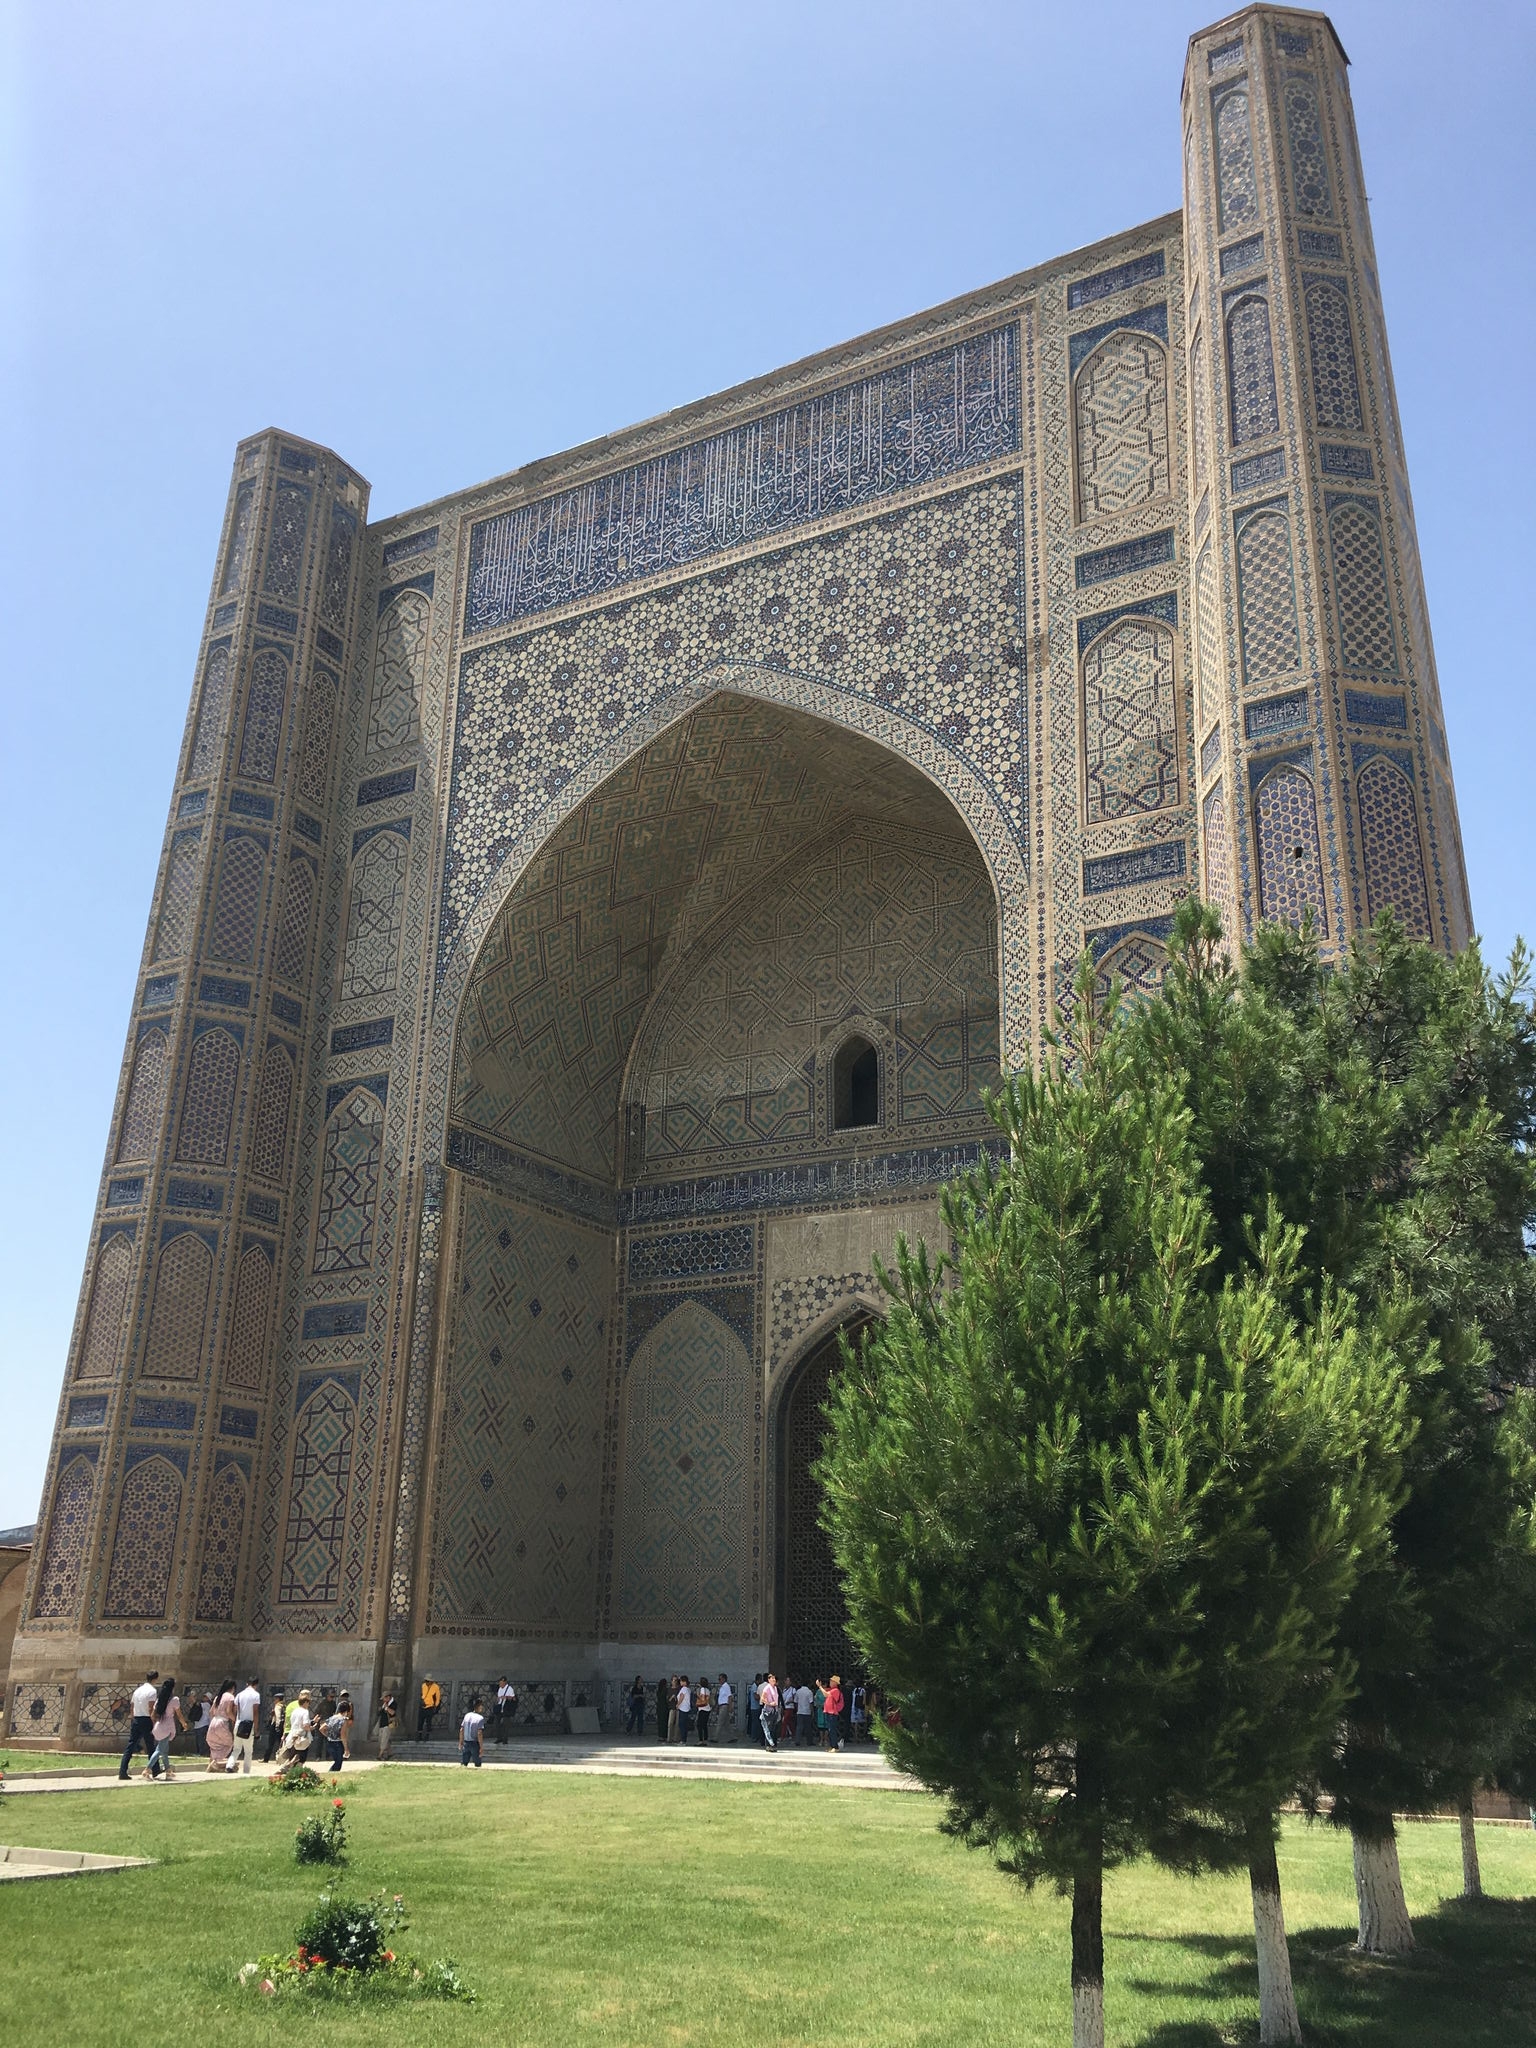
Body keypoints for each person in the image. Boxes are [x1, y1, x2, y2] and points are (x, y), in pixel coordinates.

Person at [119, 1670, 159, 1781]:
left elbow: (132, 1706)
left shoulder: (137, 1690)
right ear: (155, 1679)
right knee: (150, 1745)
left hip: (136, 1719)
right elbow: (151, 1708)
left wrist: (133, 1718)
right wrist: (154, 1722)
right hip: (146, 1719)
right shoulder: (152, 1691)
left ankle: (123, 1771)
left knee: (131, 1745)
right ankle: (155, 1769)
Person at [149, 1676, 185, 1780]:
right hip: (167, 1727)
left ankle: (168, 1771)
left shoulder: (159, 1700)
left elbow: (152, 1715)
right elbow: (179, 1714)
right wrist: (184, 1724)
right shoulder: (174, 1700)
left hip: (158, 1726)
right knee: (159, 1750)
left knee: (164, 1751)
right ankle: (147, 1769)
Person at [229, 1677, 261, 1775]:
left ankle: (229, 1765)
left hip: (238, 1723)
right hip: (249, 1725)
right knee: (248, 1751)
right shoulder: (256, 1695)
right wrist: (256, 1728)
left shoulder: (239, 1695)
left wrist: (234, 1724)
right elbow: (255, 1712)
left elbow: (234, 1711)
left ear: (247, 1683)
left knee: (236, 1749)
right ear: (256, 1685)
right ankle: (246, 1771)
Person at [205, 1681, 237, 1773]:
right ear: (232, 1688)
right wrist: (235, 1720)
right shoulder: (230, 1697)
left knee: (215, 1745)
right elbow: (228, 1712)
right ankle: (215, 1762)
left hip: (214, 1721)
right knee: (229, 1743)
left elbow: (211, 1712)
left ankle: (212, 1763)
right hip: (222, 1722)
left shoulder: (218, 1697)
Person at [320, 1697, 348, 1772]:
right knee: (338, 1762)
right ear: (346, 1711)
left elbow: (321, 1728)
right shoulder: (343, 1720)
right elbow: (343, 1734)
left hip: (329, 1742)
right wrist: (346, 1748)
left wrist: (327, 1735)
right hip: (338, 1743)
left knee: (337, 1761)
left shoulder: (332, 1718)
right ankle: (330, 1773)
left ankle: (331, 1772)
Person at [460, 1697, 486, 1767]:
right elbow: (479, 1733)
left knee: (464, 1763)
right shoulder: (480, 1718)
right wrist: (481, 1747)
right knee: (477, 1764)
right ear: (479, 1706)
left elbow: (461, 1730)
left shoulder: (467, 1716)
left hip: (466, 1742)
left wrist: (461, 1742)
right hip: (474, 1743)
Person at [758, 1672, 780, 1752]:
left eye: (774, 1678)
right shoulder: (767, 1688)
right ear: (769, 1680)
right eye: (772, 1678)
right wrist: (770, 1703)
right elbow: (762, 1699)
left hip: (775, 1709)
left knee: (774, 1728)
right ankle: (768, 1745)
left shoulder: (775, 1688)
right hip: (768, 1710)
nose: (774, 1680)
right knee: (769, 1728)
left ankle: (774, 1745)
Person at [263, 1692, 286, 1764]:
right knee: (280, 1743)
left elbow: (278, 1717)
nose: (274, 1700)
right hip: (282, 1726)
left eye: (275, 1699)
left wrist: (277, 1726)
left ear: (278, 1699)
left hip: (276, 1726)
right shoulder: (284, 1706)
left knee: (270, 1743)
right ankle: (282, 1758)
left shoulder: (278, 1706)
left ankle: (266, 1758)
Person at [823, 1675, 845, 1751]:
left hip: (832, 1712)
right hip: (828, 1711)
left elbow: (825, 1694)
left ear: (835, 1683)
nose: (830, 1682)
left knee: (832, 1730)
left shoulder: (836, 1690)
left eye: (831, 1681)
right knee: (830, 1730)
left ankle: (835, 1747)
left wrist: (819, 1686)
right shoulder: (831, 1690)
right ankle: (832, 1745)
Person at [417, 1674, 442, 1740]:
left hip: (430, 1706)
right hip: (423, 1705)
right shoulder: (423, 1685)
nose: (426, 1682)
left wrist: (435, 1706)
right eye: (426, 1681)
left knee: (428, 1722)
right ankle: (419, 1735)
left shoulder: (435, 1687)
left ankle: (427, 1735)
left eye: (428, 1681)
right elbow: (422, 1694)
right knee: (420, 1721)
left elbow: (438, 1698)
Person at [495, 1676, 518, 1743]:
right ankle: (499, 1737)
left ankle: (505, 1739)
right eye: (500, 1683)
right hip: (500, 1708)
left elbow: (514, 1698)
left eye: (501, 1683)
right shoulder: (500, 1689)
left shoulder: (509, 1689)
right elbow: (499, 1698)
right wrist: (498, 1699)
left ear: (505, 1682)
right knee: (496, 1723)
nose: (500, 1684)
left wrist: (506, 1697)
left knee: (506, 1724)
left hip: (507, 1708)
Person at [191, 1690, 212, 1757]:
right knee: (198, 1740)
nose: (203, 1697)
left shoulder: (207, 1705)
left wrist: (193, 1696)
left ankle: (201, 1753)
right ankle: (199, 1752)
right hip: (198, 1725)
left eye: (205, 1697)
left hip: (203, 1724)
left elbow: (197, 1704)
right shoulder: (203, 1705)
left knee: (201, 1740)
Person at [376, 1692, 396, 1759]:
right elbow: (379, 1713)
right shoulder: (384, 1704)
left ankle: (380, 1755)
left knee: (384, 1739)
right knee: (381, 1739)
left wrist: (387, 1708)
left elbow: (393, 1713)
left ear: (388, 1697)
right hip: (382, 1723)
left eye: (384, 1698)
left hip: (388, 1724)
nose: (383, 1700)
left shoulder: (393, 1703)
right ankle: (390, 1753)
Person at [715, 1673, 733, 1743]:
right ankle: (732, 1737)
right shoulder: (722, 1687)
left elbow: (729, 1697)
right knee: (726, 1723)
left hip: (724, 1706)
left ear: (724, 1679)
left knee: (720, 1722)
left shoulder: (726, 1686)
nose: (719, 1680)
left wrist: (730, 1706)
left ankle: (716, 1737)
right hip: (721, 1705)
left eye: (720, 1679)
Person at [337, 1690, 355, 1760]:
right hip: (347, 1722)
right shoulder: (349, 1703)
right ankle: (345, 1753)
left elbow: (337, 1713)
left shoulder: (342, 1704)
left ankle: (344, 1753)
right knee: (345, 1738)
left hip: (344, 1722)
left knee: (343, 1738)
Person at [796, 1679, 814, 1747]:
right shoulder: (809, 1692)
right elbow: (811, 1703)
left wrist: (797, 1709)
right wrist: (812, 1712)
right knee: (808, 1727)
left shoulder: (798, 1691)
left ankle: (797, 1741)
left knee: (799, 1727)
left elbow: (796, 1702)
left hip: (800, 1711)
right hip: (807, 1712)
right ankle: (809, 1741)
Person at [676, 1675, 693, 1744]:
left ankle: (683, 1740)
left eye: (681, 1681)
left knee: (682, 1724)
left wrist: (678, 1704)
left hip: (683, 1708)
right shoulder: (688, 1689)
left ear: (684, 1682)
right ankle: (684, 1739)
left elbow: (681, 1696)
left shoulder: (684, 1689)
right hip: (686, 1708)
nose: (680, 1682)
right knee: (684, 1724)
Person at [695, 1676, 711, 1746]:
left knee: (699, 1725)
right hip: (707, 1708)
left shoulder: (702, 1689)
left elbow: (702, 1698)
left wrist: (697, 1693)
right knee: (704, 1725)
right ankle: (705, 1739)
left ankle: (701, 1740)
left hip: (702, 1709)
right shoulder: (707, 1690)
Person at [780, 1679, 797, 1746]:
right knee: (789, 1722)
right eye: (786, 1681)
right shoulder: (784, 1690)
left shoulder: (793, 1690)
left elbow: (795, 1699)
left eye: (788, 1681)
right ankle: (793, 1734)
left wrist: (790, 1701)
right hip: (784, 1707)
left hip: (790, 1707)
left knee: (784, 1721)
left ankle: (782, 1736)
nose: (786, 1682)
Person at [748, 1675, 762, 1747]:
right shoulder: (754, 1687)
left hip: (755, 1707)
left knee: (756, 1722)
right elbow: (756, 1697)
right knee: (755, 1723)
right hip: (755, 1707)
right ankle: (754, 1737)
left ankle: (755, 1736)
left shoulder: (755, 1686)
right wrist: (762, 1697)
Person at [655, 1674, 669, 1745]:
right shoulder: (665, 1690)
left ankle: (660, 1735)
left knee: (660, 1722)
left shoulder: (658, 1690)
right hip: (665, 1707)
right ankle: (664, 1736)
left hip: (659, 1707)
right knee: (665, 1722)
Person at [667, 1675, 681, 1745]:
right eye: (674, 1680)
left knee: (677, 1723)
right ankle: (669, 1738)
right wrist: (671, 1697)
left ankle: (676, 1738)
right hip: (672, 1707)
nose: (675, 1682)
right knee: (670, 1723)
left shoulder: (679, 1689)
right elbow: (667, 1700)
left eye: (676, 1680)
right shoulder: (669, 1689)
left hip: (678, 1707)